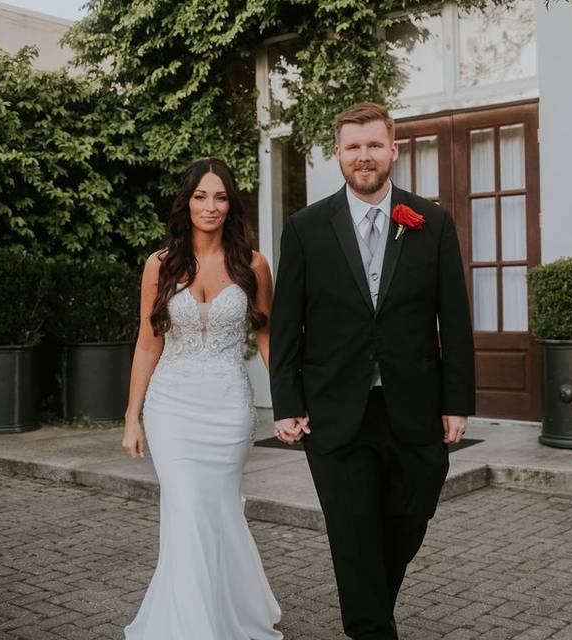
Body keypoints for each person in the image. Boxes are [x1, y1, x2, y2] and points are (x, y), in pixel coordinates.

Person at [269, 102, 475, 640]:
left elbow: (453, 318)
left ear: (394, 150)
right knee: (352, 534)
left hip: (413, 406)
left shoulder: (431, 222)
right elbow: (287, 325)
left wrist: (457, 402)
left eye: (374, 145)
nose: (364, 156)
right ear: (338, 154)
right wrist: (287, 403)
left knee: (409, 519)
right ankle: (371, 629)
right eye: (353, 146)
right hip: (336, 410)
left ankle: (370, 609)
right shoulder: (306, 229)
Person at [121, 158, 282, 640]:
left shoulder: (253, 264)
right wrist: (133, 417)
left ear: (231, 204)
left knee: (218, 511)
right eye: (200, 197)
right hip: (171, 408)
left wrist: (291, 403)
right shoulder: (160, 264)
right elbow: (148, 342)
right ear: (186, 202)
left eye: (220, 197)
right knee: (187, 507)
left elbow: (268, 338)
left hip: (230, 408)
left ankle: (232, 611)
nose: (210, 207)